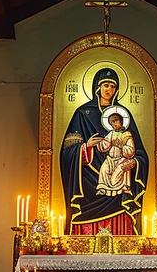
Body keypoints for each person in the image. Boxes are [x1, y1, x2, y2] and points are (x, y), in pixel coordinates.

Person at [60, 67, 148, 235]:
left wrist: (135, 162)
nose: (109, 90)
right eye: (106, 85)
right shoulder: (82, 114)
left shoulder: (124, 116)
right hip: (88, 186)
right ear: (97, 87)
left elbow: (141, 153)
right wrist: (86, 147)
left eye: (113, 86)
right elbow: (66, 154)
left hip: (120, 182)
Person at [95, 108, 135, 196]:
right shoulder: (111, 133)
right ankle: (102, 188)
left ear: (121, 121)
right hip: (110, 159)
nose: (113, 124)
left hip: (121, 159)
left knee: (115, 179)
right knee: (103, 168)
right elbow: (105, 145)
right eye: (111, 122)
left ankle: (122, 188)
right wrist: (100, 142)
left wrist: (121, 146)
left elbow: (131, 151)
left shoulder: (126, 134)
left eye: (115, 121)